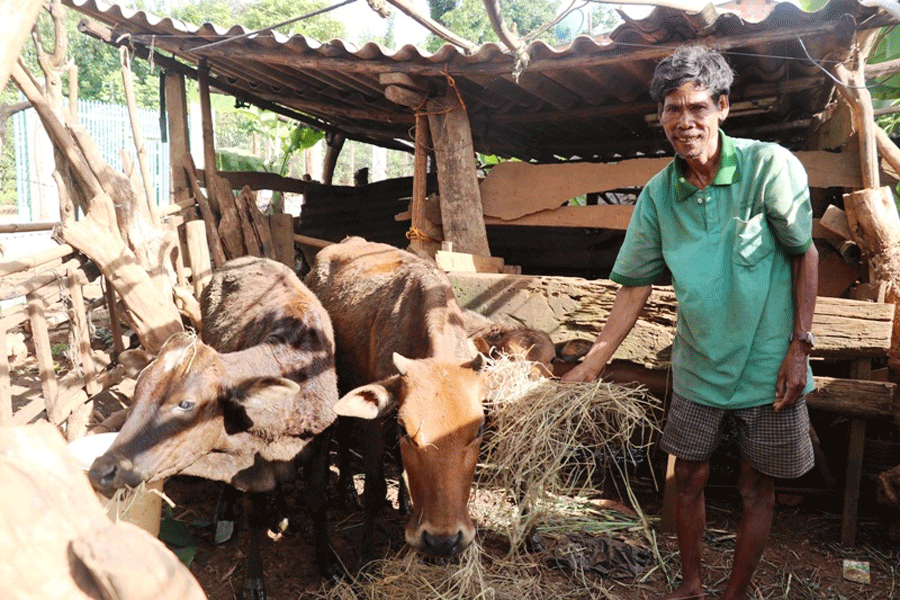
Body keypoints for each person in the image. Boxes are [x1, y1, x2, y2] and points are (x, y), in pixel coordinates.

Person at [562, 45, 818, 600]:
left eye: (697, 107)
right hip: (699, 363)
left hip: (767, 364)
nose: (684, 122)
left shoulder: (768, 166)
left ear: (722, 107)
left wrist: (800, 346)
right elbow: (635, 285)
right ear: (660, 117)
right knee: (688, 478)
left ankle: (735, 592)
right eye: (671, 110)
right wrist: (590, 365)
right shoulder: (658, 194)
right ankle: (692, 586)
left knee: (756, 485)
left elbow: (806, 253)